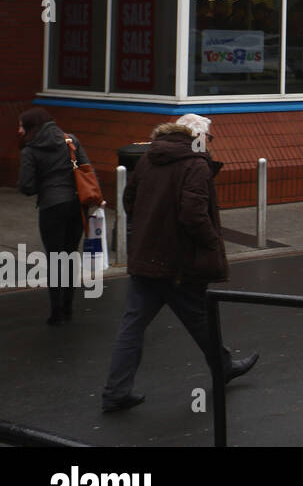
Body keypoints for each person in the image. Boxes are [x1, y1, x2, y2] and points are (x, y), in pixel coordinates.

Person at [101, 113, 257, 414]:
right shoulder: (195, 164)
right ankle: (223, 367)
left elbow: (129, 199)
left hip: (147, 257)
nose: (210, 144)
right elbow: (193, 214)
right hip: (179, 263)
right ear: (197, 137)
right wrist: (212, 242)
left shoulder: (149, 157)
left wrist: (148, 226)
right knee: (200, 318)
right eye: (209, 138)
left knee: (133, 325)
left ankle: (115, 391)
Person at [17, 108, 92, 325]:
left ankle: (56, 312)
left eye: (21, 125)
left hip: (51, 207)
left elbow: (27, 186)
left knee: (55, 258)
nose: (19, 130)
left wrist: (43, 184)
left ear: (32, 126)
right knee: (70, 256)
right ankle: (68, 308)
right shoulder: (71, 140)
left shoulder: (31, 150)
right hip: (77, 205)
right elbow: (87, 168)